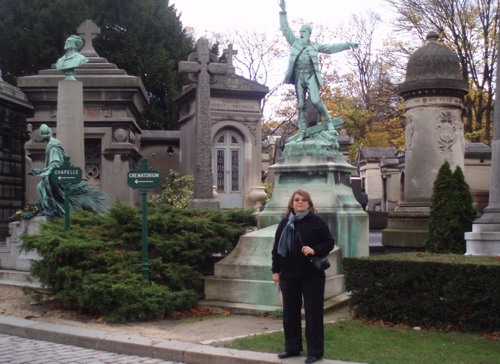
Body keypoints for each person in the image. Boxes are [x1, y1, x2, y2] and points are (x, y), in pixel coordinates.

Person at [278, 0, 358, 141]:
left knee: (315, 100)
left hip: (310, 76)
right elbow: (285, 28)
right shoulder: (294, 42)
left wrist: (348, 45)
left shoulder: (314, 46)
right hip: (298, 77)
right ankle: (302, 131)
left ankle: (328, 121)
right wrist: (283, 11)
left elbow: (331, 48)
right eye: (300, 31)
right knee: (301, 104)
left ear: (309, 33)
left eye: (304, 31)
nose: (301, 33)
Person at [271, 189, 335, 364]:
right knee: (290, 313)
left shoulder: (316, 222)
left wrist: (315, 250)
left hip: (312, 275)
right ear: (292, 203)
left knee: (313, 313)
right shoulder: (285, 223)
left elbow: (329, 242)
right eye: (297, 200)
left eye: (303, 200)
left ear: (309, 203)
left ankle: (315, 351)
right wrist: (276, 271)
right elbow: (277, 249)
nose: (300, 202)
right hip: (289, 275)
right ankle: (292, 348)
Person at [29, 124, 107, 217]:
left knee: (41, 187)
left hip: (56, 175)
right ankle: (51, 208)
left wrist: (45, 172)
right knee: (42, 187)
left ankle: (51, 209)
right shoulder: (53, 143)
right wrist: (39, 171)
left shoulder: (52, 146)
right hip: (56, 173)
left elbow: (55, 163)